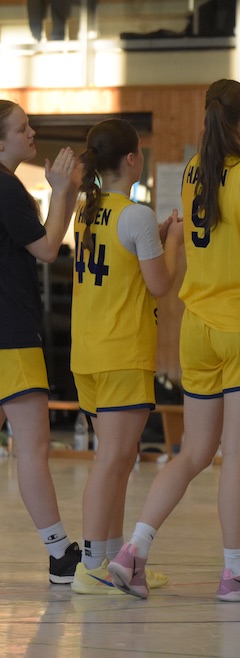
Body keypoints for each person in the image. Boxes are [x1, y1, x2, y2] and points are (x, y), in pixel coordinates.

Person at [108, 79, 240, 602]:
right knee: (237, 456)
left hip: (198, 327)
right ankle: (237, 570)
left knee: (193, 452)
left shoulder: (193, 170)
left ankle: (133, 551)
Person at [69, 119, 180, 595]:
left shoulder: (86, 210)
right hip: (122, 351)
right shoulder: (135, 214)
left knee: (115, 457)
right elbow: (159, 284)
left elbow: (123, 256)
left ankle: (113, 561)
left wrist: (152, 236)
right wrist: (171, 241)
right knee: (113, 459)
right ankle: (91, 563)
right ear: (132, 159)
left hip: (89, 351)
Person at [0, 100, 82, 584]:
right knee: (32, 445)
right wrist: (60, 193)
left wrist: (63, 193)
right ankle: (59, 555)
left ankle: (59, 552)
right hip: (10, 331)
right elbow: (50, 249)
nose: (31, 134)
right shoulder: (6, 187)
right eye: (22, 128)